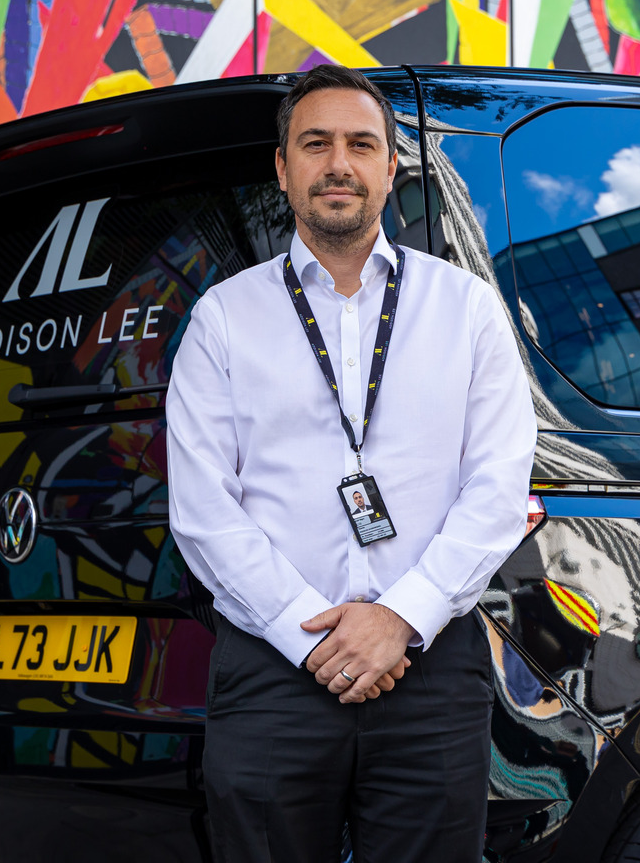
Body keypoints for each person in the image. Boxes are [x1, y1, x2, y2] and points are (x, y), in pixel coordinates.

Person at [165, 64, 536, 863]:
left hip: (430, 670)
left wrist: (399, 618)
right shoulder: (224, 320)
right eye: (316, 143)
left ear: (390, 167)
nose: (339, 163)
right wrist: (316, 641)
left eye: (362, 144)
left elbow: (500, 485)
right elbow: (204, 510)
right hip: (273, 671)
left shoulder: (465, 308)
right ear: (283, 168)